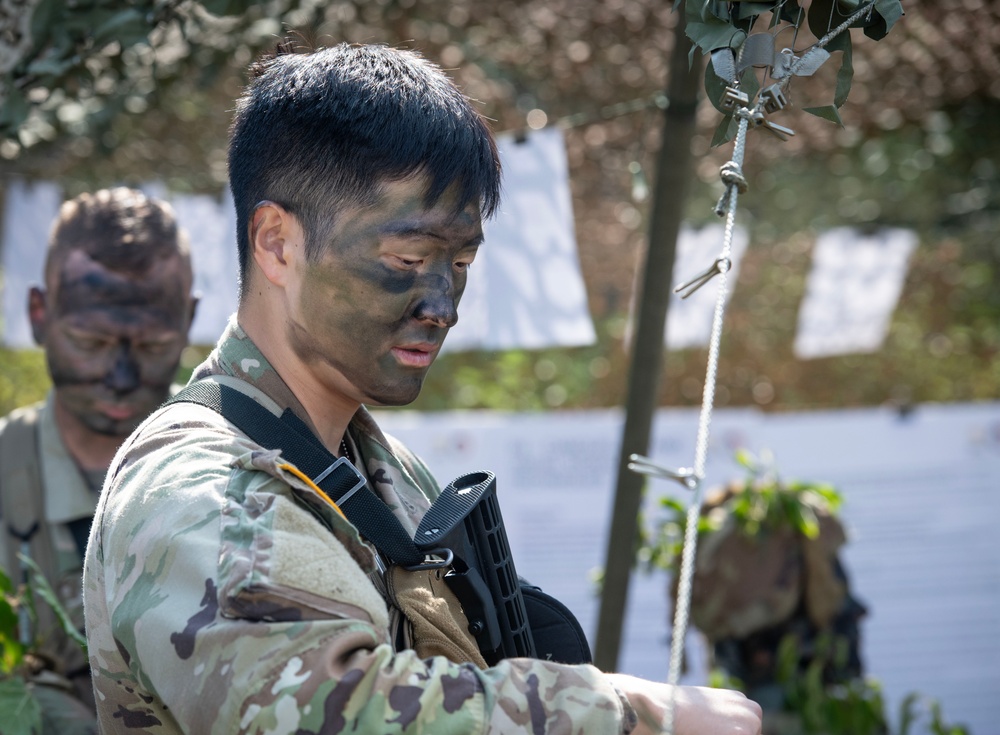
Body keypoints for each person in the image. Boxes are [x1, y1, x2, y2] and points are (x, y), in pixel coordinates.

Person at [82, 43, 763, 735]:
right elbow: (334, 713)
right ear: (278, 244)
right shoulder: (197, 487)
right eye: (405, 259)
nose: (441, 304)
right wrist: (625, 711)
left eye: (460, 262)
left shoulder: (385, 474)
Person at [0, 187, 197, 732]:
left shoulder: (242, 466)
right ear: (39, 315)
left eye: (154, 346)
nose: (121, 377)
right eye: (90, 341)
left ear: (190, 321)